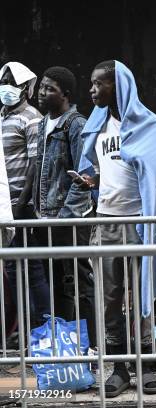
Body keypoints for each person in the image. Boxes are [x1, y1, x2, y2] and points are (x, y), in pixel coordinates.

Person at [76, 60, 156, 397]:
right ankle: (119, 368)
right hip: (106, 221)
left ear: (119, 86)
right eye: (91, 84)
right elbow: (102, 170)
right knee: (110, 299)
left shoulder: (148, 125)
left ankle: (147, 364)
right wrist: (90, 181)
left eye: (99, 84)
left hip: (140, 223)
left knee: (144, 295)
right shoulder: (96, 127)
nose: (92, 90)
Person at [33, 66, 96, 344]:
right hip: (45, 217)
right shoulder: (43, 124)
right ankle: (66, 344)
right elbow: (40, 170)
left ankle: (91, 344)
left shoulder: (75, 124)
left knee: (80, 282)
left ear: (66, 95)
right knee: (57, 283)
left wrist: (64, 218)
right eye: (42, 86)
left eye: (50, 89)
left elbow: (83, 176)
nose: (42, 93)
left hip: (68, 220)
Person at [0, 62, 49, 329]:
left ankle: (41, 330)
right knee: (11, 270)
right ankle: (25, 332)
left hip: (22, 206)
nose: (6, 88)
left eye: (12, 83)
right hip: (4, 206)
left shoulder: (32, 117)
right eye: (3, 82)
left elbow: (35, 163)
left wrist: (21, 204)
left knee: (32, 270)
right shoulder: (2, 117)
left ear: (25, 89)